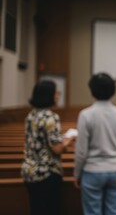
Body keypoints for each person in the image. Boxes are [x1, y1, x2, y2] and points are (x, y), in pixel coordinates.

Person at [74, 73, 116, 215]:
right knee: (113, 211)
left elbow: (81, 151)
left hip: (93, 170)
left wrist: (77, 173)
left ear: (92, 91)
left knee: (92, 212)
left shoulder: (86, 115)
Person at [21, 80, 75, 215]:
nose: (58, 96)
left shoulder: (31, 115)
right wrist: (69, 139)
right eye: (56, 93)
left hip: (30, 171)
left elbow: (41, 140)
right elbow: (57, 148)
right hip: (46, 173)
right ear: (48, 95)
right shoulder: (50, 117)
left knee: (36, 210)